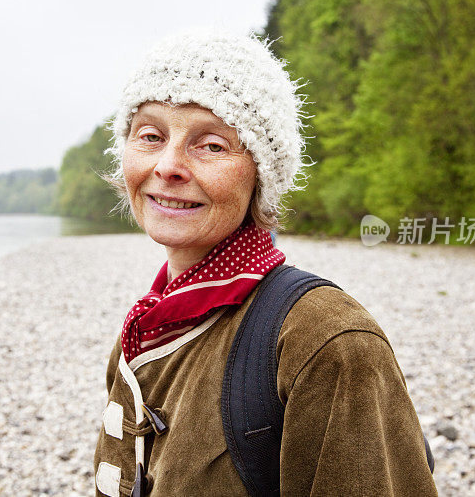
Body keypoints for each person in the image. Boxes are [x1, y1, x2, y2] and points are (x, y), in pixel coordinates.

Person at [93, 28, 437, 496]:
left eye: (211, 144)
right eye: (150, 135)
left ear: (261, 173)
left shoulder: (325, 340)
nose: (168, 165)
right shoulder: (143, 330)